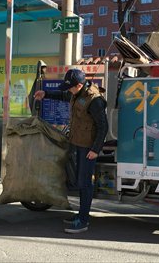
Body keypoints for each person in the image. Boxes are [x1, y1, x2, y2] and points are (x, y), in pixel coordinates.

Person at [34, 68, 108, 234]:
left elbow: (103, 126)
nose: (68, 90)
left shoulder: (93, 100)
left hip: (88, 148)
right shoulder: (77, 93)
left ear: (80, 85)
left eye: (70, 87)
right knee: (80, 183)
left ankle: (83, 221)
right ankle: (80, 216)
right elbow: (63, 95)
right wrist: (45, 93)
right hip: (79, 144)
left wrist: (95, 149)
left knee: (85, 183)